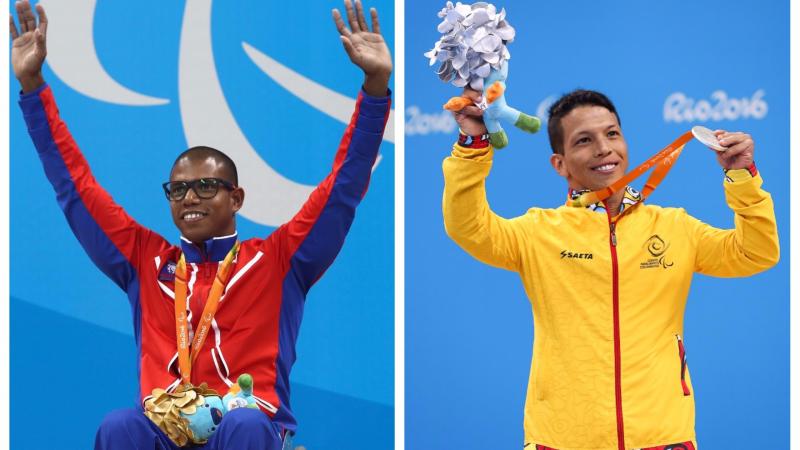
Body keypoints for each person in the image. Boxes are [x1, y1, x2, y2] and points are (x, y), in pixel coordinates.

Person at [10, 0, 392, 448]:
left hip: (248, 431)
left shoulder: (278, 260)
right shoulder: (144, 260)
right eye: (178, 190)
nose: (190, 197)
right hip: (165, 431)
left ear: (237, 198)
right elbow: (74, 187)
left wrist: (375, 87)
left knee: (245, 424)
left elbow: (343, 188)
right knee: (120, 425)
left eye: (206, 186)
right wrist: (33, 87)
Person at [443, 88, 778, 450]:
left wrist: (742, 176)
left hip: (663, 436)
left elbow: (756, 252)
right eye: (584, 140)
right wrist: (473, 143)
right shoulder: (538, 233)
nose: (604, 148)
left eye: (612, 134)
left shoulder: (674, 227)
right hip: (562, 439)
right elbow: (469, 227)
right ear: (561, 163)